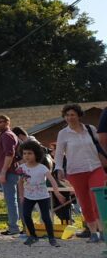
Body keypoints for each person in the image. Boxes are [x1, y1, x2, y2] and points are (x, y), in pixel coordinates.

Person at [54, 104, 106, 243]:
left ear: (78, 115)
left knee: (97, 200)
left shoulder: (90, 129)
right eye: (67, 115)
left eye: (72, 114)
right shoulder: (63, 133)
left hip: (95, 167)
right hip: (76, 171)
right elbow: (59, 153)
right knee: (85, 202)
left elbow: (100, 145)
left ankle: (103, 231)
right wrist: (58, 168)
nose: (70, 117)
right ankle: (93, 233)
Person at [18, 140, 64, 247]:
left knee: (46, 217)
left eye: (30, 153)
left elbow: (52, 181)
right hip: (28, 197)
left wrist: (57, 193)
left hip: (43, 196)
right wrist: (21, 196)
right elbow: (20, 182)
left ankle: (52, 238)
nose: (27, 156)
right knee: (26, 215)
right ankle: (33, 236)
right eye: (24, 153)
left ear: (36, 154)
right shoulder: (21, 168)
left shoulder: (42, 168)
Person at [0, 115, 22, 236]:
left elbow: (10, 154)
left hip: (8, 172)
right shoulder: (6, 135)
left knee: (11, 200)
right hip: (10, 171)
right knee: (14, 200)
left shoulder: (7, 135)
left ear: (7, 122)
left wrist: (4, 171)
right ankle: (20, 225)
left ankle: (14, 227)